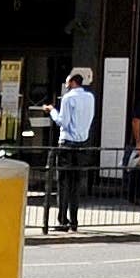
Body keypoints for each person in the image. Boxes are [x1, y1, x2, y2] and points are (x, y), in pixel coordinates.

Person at [50, 70, 97, 231]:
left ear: (72, 82)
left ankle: (63, 220)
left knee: (63, 182)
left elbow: (63, 121)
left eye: (67, 82)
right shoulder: (90, 97)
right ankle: (74, 220)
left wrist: (52, 111)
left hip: (67, 143)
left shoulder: (68, 98)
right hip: (83, 143)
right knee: (76, 183)